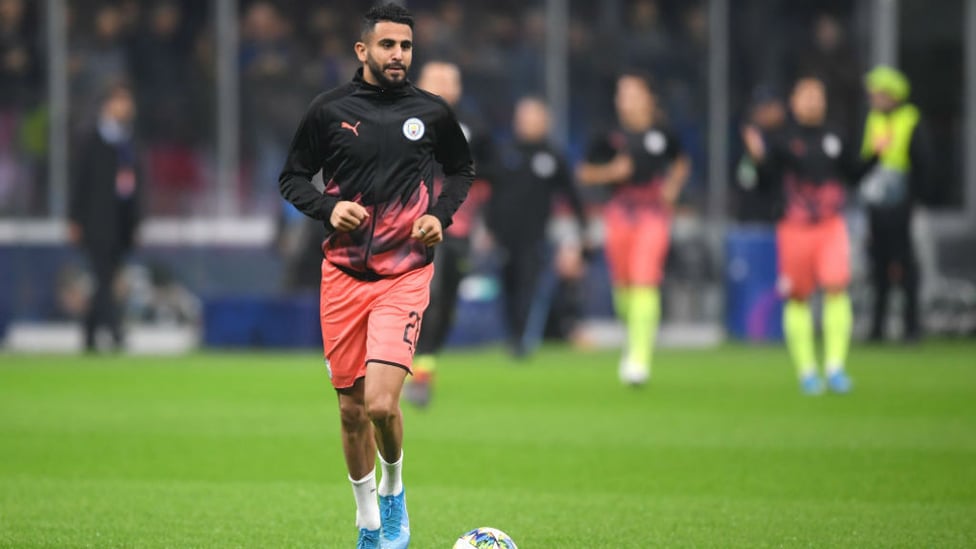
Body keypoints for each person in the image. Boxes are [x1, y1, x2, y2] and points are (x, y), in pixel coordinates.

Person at [277, 4, 474, 548]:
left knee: (382, 405)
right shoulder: (328, 110)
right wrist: (325, 208)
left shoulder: (431, 113)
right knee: (349, 411)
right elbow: (292, 177)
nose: (398, 56)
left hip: (404, 273)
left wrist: (440, 215)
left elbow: (461, 170)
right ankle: (367, 523)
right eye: (388, 46)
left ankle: (393, 489)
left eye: (406, 47)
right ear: (363, 50)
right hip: (342, 275)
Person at [742, 75, 883, 395]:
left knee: (836, 286)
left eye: (816, 96)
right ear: (794, 102)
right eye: (805, 95)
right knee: (798, 297)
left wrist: (875, 155)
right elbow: (764, 184)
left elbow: (853, 176)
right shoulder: (780, 140)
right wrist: (757, 156)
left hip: (830, 225)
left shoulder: (836, 136)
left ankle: (835, 367)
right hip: (794, 229)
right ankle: (807, 370)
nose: (811, 102)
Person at [577, 71, 690, 386]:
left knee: (645, 278)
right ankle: (634, 337)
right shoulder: (606, 133)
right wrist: (612, 171)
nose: (625, 100)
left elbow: (681, 161)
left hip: (653, 213)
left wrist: (672, 185)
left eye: (632, 93)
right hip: (619, 214)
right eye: (621, 93)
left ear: (648, 98)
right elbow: (584, 173)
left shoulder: (663, 132)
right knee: (624, 289)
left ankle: (640, 357)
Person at [404, 60, 493, 408]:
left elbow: (490, 175)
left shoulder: (473, 128)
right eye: (436, 78)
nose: (444, 85)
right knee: (426, 292)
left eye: (450, 80)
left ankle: (425, 362)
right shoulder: (402, 120)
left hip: (457, 226)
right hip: (408, 225)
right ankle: (409, 365)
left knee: (447, 300)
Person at [487, 96, 588, 358]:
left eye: (535, 117)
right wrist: (487, 227)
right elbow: (490, 194)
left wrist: (583, 230)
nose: (529, 123)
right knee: (508, 285)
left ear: (546, 122)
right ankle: (511, 334)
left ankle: (522, 340)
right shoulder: (504, 152)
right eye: (525, 117)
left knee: (528, 287)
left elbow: (572, 195)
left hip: (535, 236)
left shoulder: (553, 156)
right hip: (504, 234)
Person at [859, 65, 932, 343]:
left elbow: (923, 163)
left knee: (906, 267)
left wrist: (914, 202)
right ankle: (877, 328)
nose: (873, 98)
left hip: (903, 204)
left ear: (892, 94)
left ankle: (911, 328)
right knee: (877, 266)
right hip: (877, 204)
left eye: (877, 93)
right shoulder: (873, 120)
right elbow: (866, 160)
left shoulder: (910, 119)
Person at [68, 81, 143, 353]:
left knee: (105, 279)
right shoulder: (90, 138)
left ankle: (89, 334)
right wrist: (74, 218)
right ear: (107, 105)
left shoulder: (127, 140)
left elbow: (135, 186)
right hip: (95, 221)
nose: (127, 107)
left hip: (120, 222)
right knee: (103, 277)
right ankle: (115, 332)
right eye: (121, 101)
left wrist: (136, 221)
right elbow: (79, 181)